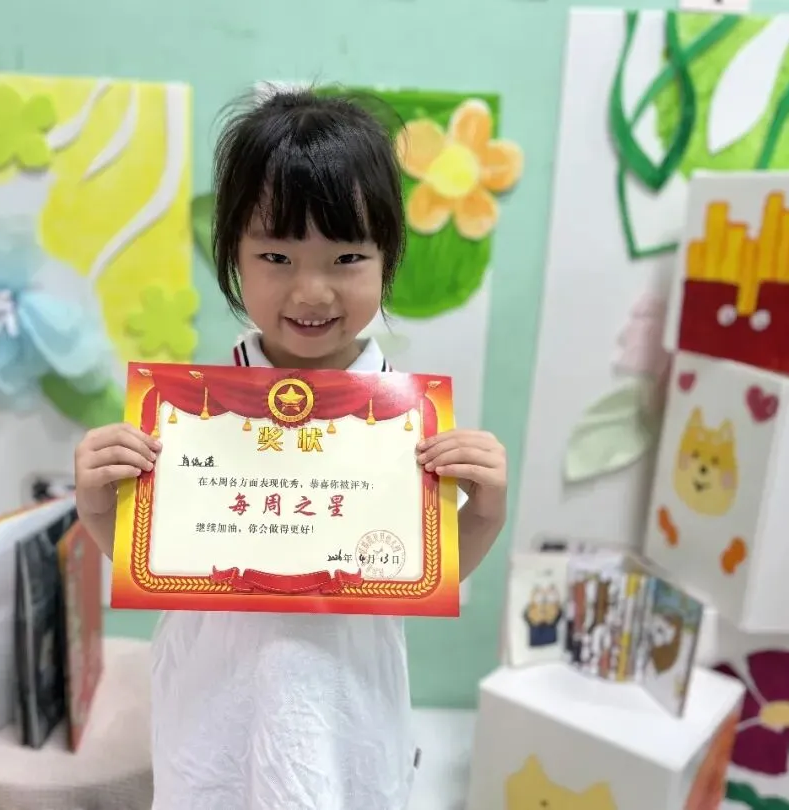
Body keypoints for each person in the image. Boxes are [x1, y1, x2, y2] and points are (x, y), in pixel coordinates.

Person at [73, 86, 508, 810]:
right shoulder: (193, 417)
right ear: (234, 258)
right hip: (218, 707)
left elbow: (426, 570)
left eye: (346, 257)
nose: (311, 290)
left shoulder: (403, 427)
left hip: (345, 705)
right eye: (276, 255)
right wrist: (97, 506)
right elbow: (159, 560)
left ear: (387, 261)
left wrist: (485, 512)